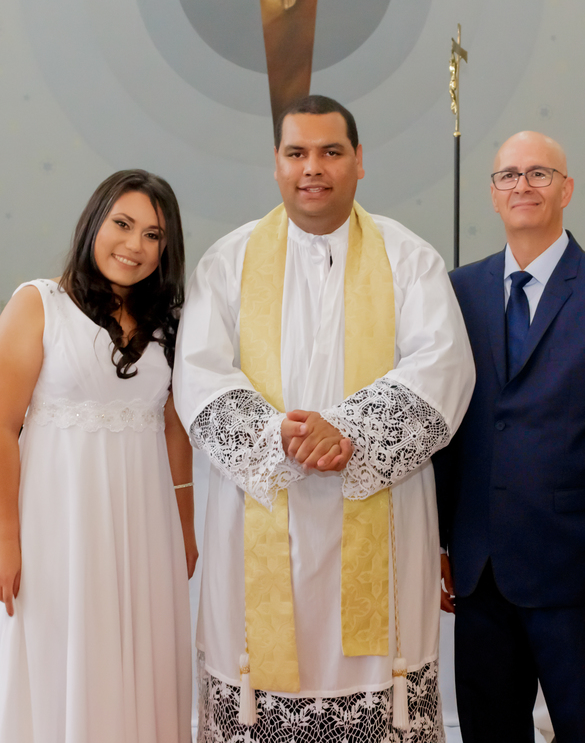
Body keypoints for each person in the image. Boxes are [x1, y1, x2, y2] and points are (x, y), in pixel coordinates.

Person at [175, 94, 474, 742]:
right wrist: (274, 437)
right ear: (276, 163)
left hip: (381, 513)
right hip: (258, 513)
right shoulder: (228, 261)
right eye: (297, 153)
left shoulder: (408, 257)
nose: (313, 167)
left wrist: (352, 432)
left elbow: (444, 366)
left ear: (359, 160)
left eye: (331, 151)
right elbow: (197, 374)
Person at [433, 131, 585, 743]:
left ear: (566, 190)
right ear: (493, 194)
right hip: (482, 573)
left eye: (539, 173)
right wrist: (440, 540)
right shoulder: (456, 293)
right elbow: (446, 426)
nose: (523, 185)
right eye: (509, 175)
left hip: (580, 578)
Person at [0, 170, 197, 742]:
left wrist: (185, 527)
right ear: (93, 223)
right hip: (56, 525)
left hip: (145, 525)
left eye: (153, 234)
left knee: (140, 661)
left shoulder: (169, 321)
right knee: (59, 657)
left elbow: (173, 430)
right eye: (122, 224)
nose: (134, 245)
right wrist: (4, 540)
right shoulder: (38, 303)